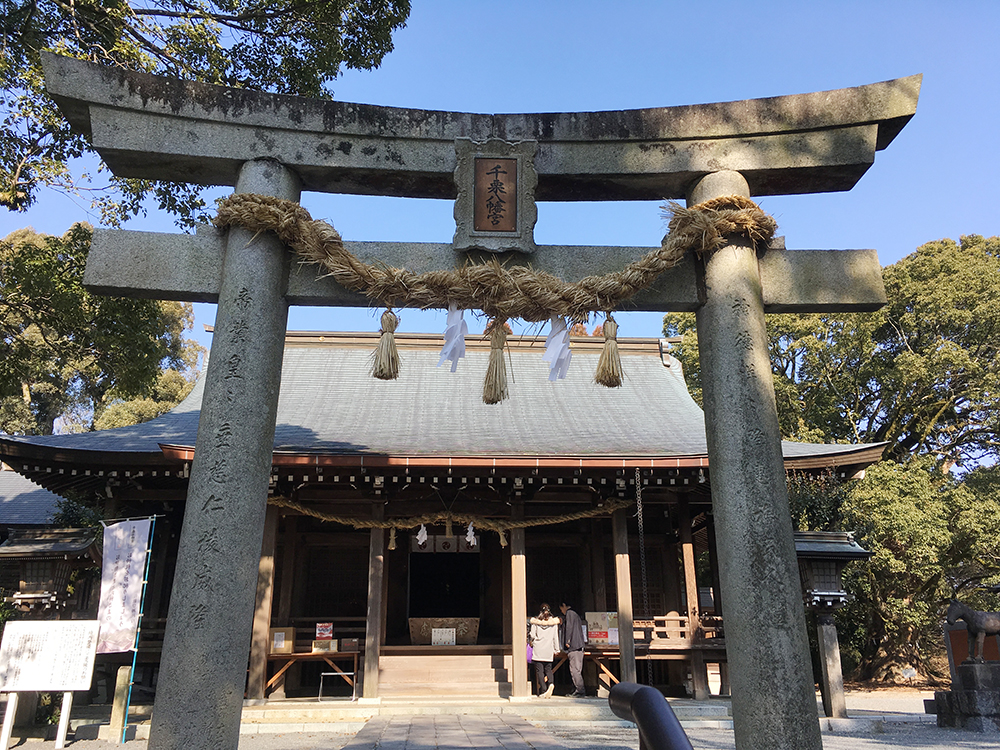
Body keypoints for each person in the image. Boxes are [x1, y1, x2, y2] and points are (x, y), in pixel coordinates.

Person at [529, 603, 561, 697]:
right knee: (548, 669)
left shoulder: (535, 622)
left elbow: (533, 635)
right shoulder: (553, 623)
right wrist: (556, 649)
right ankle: (551, 683)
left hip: (538, 648)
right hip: (548, 648)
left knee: (540, 671)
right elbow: (555, 637)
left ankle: (543, 689)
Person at [559, 601, 586, 697]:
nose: (562, 611)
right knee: (576, 669)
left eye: (561, 609)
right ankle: (577, 689)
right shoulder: (576, 615)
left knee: (575, 669)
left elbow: (569, 627)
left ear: (564, 605)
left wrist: (567, 640)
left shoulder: (570, 613)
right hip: (578, 645)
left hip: (574, 645)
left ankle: (580, 690)